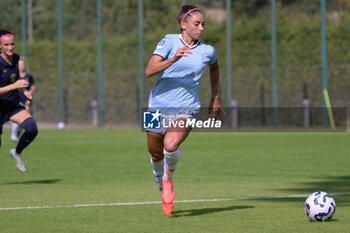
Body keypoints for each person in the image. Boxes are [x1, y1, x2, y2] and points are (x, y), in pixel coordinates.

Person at [145, 5, 223, 215]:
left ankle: (168, 179)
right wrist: (173, 59)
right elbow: (149, 71)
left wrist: (214, 96)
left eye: (203, 24)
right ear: (184, 24)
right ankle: (161, 186)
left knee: (170, 144)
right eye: (197, 24)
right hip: (157, 105)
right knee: (154, 151)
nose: (201, 28)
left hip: (187, 107)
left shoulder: (208, 51)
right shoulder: (169, 41)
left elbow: (214, 67)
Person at [0, 29, 38, 173]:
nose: (10, 47)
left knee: (32, 128)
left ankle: (16, 152)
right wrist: (14, 86)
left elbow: (16, 78)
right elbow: (12, 84)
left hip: (13, 105)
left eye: (12, 44)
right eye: (6, 45)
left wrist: (24, 90)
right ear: (0, 46)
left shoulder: (16, 59)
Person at [11, 56, 36, 142]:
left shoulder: (28, 76)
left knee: (26, 114)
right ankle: (14, 134)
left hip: (26, 98)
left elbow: (33, 86)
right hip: (17, 97)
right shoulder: (14, 75)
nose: (21, 66)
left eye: (22, 65)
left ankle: (16, 133)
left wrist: (30, 92)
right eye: (19, 64)